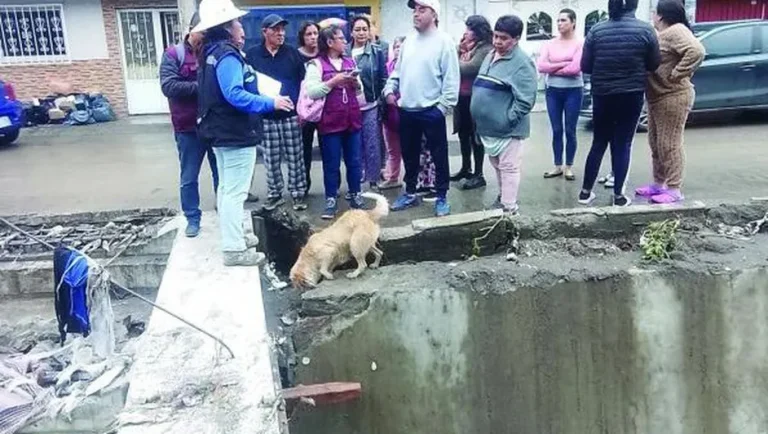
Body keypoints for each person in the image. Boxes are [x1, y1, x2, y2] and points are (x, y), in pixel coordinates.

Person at [194, 0, 294, 266]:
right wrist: (270, 102)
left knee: (228, 190)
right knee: (234, 192)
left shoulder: (211, 53)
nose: (241, 26)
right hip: (234, 133)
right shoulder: (227, 55)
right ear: (227, 27)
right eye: (237, 22)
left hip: (221, 132)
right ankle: (234, 249)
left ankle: (234, 238)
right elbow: (234, 94)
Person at [578, 0, 660, 207]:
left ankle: (585, 193)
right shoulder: (646, 30)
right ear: (634, 5)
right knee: (622, 143)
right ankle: (618, 196)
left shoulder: (597, 30)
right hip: (631, 93)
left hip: (602, 93)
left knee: (599, 142)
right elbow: (654, 63)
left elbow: (585, 65)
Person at [383, 0, 460, 217]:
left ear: (434, 14)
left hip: (431, 111)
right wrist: (390, 90)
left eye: (421, 9)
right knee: (409, 154)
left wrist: (442, 109)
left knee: (439, 155)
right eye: (414, 10)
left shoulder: (444, 42)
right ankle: (409, 192)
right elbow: (397, 72)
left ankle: (442, 195)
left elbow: (451, 80)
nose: (416, 14)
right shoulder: (408, 41)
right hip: (407, 109)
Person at [470, 15, 537, 214]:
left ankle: (509, 209)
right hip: (488, 128)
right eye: (496, 36)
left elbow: (526, 100)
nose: (498, 41)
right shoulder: (491, 55)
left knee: (508, 167)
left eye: (504, 38)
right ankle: (503, 199)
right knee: (498, 165)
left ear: (516, 39)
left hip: (508, 129)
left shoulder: (522, 63)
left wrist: (507, 119)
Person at [639, 0, 704, 204]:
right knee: (656, 143)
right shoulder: (662, 35)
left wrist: (677, 74)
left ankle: (674, 188)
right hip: (657, 97)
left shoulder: (676, 30)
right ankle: (659, 184)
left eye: (654, 13)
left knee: (670, 144)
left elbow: (697, 51)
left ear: (660, 15)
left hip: (673, 95)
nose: (652, 16)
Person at [159, 13, 218, 238]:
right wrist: (202, 86)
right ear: (191, 29)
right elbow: (168, 86)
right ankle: (192, 218)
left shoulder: (211, 52)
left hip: (213, 125)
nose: (205, 36)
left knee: (220, 174)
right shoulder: (174, 54)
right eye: (202, 31)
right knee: (189, 177)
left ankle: (224, 213)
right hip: (187, 128)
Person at [246, 14, 308, 211]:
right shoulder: (253, 55)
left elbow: (303, 84)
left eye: (282, 29)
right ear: (265, 32)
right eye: (276, 30)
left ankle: (298, 193)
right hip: (266, 116)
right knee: (271, 159)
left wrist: (301, 110)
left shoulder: (292, 54)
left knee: (295, 157)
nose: (281, 33)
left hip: (290, 115)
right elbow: (249, 84)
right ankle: (275, 194)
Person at [303, 24, 365, 219]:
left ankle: (355, 194)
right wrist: (333, 82)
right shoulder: (316, 64)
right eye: (341, 39)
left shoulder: (350, 61)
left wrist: (355, 83)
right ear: (330, 42)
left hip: (352, 118)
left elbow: (360, 91)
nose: (345, 42)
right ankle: (331, 199)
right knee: (331, 163)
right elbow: (312, 92)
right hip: (329, 122)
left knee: (354, 161)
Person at [537, 8, 584, 181]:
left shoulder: (580, 43)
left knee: (570, 130)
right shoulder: (549, 44)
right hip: (553, 91)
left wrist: (553, 66)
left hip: (573, 91)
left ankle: (568, 166)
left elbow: (575, 69)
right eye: (558, 20)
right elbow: (541, 66)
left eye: (563, 20)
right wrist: (565, 62)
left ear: (573, 23)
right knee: (556, 129)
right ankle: (557, 165)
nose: (559, 24)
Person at [451, 15, 493, 191]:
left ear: (478, 31)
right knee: (463, 133)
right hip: (462, 97)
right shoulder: (466, 46)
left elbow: (468, 68)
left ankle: (479, 174)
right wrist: (458, 50)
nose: (466, 32)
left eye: (469, 29)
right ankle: (465, 168)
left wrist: (454, 59)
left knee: (476, 137)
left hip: (475, 98)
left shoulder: (486, 48)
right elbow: (454, 58)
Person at [349, 15, 388, 192]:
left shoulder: (376, 52)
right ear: (351, 32)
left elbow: (383, 77)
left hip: (371, 104)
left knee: (372, 141)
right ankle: (357, 178)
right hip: (349, 106)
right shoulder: (344, 52)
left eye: (365, 29)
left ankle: (373, 179)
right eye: (358, 29)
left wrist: (380, 99)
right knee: (353, 144)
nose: (362, 33)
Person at [297, 21, 320, 195]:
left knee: (329, 147)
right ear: (302, 37)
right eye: (309, 34)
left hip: (323, 108)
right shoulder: (296, 56)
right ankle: (304, 184)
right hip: (305, 109)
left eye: (315, 33)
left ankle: (332, 185)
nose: (313, 37)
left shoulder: (325, 55)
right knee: (304, 148)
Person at [380, 36, 405, 189]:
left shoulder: (409, 67)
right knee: (392, 148)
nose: (398, 50)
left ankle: (411, 177)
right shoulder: (387, 66)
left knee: (408, 147)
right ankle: (392, 176)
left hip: (404, 111)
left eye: (401, 47)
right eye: (396, 47)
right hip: (388, 113)